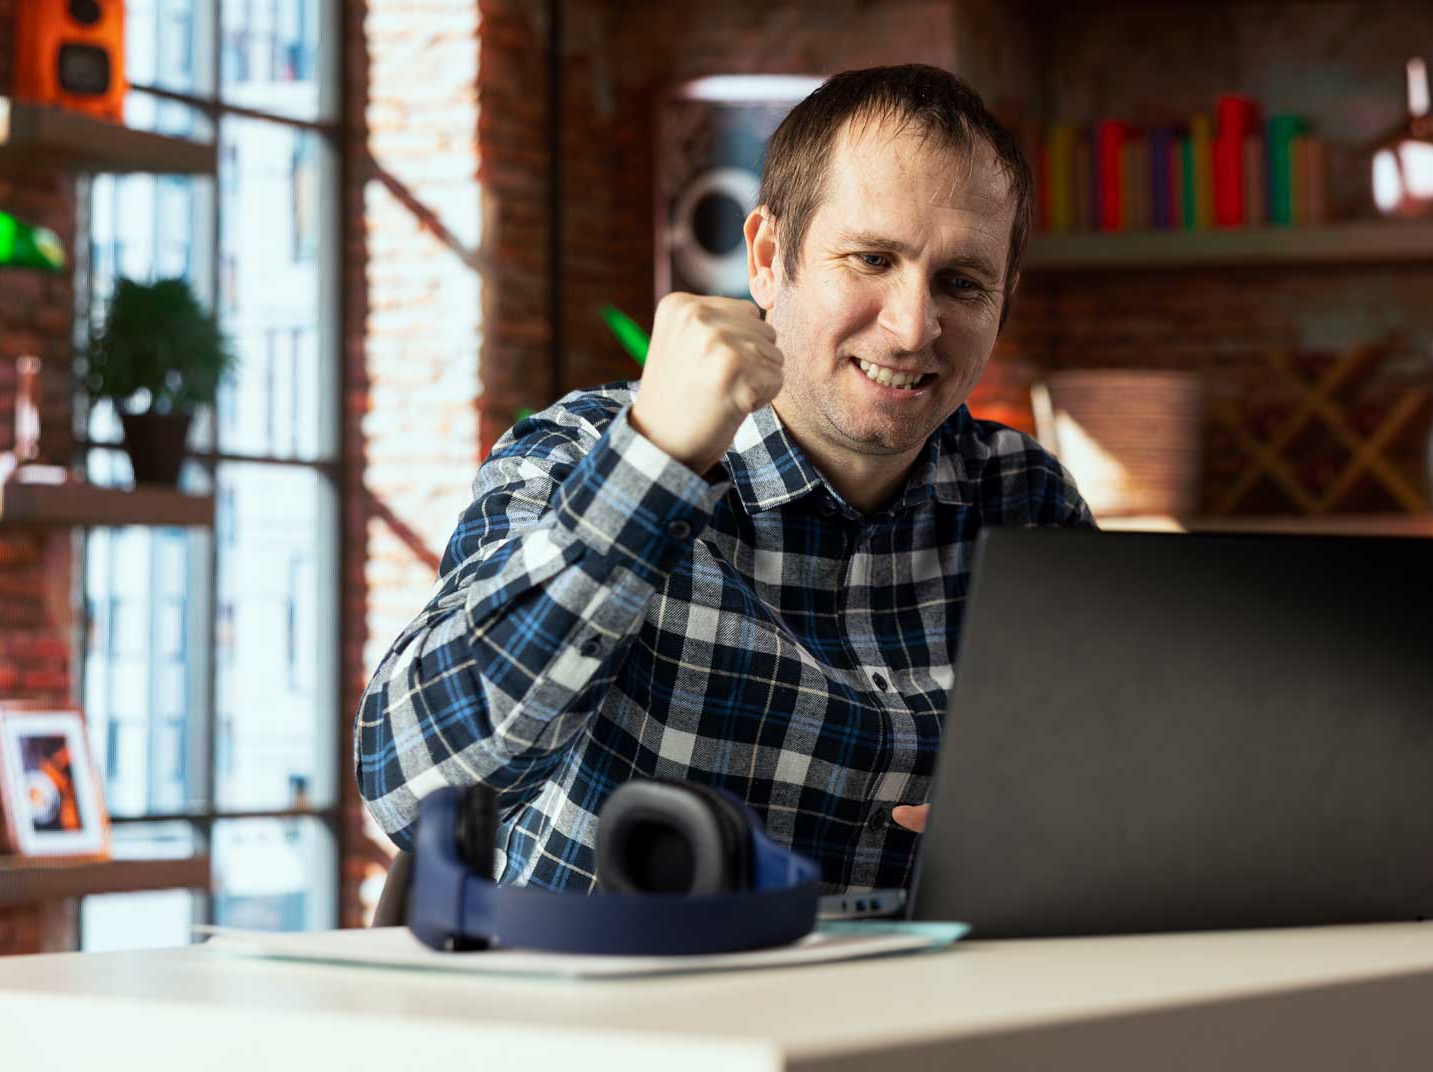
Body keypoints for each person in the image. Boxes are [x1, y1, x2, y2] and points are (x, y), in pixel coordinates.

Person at [357, 64, 1094, 895]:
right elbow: (412, 794)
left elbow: (1111, 797)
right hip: (614, 1014)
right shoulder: (576, 454)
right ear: (770, 258)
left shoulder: (1029, 503)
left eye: (961, 283)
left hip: (917, 1015)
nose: (913, 326)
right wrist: (652, 467)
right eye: (871, 258)